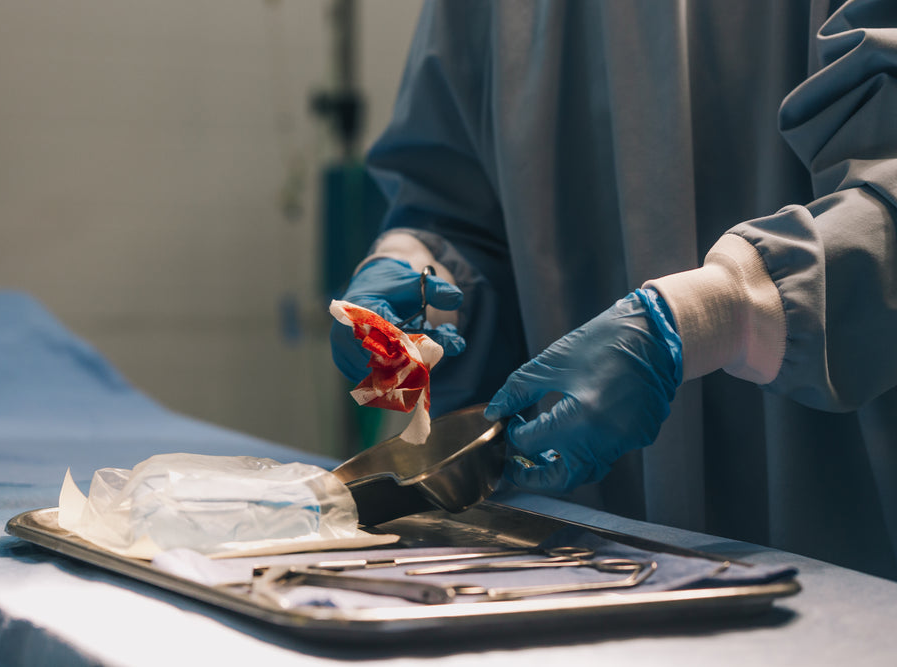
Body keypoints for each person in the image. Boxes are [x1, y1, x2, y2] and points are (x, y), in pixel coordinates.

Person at [330, 0, 897, 580]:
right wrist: (419, 272)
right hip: (576, 553)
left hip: (840, 532)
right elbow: (456, 201)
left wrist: (723, 313)